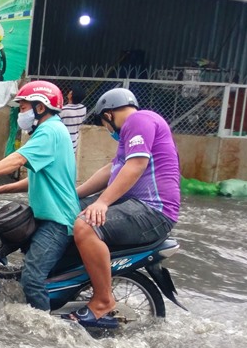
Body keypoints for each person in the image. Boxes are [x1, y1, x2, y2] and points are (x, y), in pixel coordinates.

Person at [0, 80, 79, 311]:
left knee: (32, 279)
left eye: (23, 108)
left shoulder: (49, 131)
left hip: (57, 222)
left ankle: (43, 332)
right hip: (46, 218)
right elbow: (36, 180)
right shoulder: (50, 130)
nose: (20, 114)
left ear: (40, 108)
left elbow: (18, 160)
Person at [66, 87, 180, 328]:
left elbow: (136, 165)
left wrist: (102, 202)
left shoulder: (139, 120)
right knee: (66, 212)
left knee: (86, 225)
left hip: (153, 211)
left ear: (108, 115)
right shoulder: (132, 130)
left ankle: (103, 302)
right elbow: (111, 170)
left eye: (103, 123)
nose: (107, 130)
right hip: (133, 205)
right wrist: (72, 196)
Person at [58, 85, 87, 154]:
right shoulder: (83, 108)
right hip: (74, 142)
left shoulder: (63, 110)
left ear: (71, 96)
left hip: (62, 142)